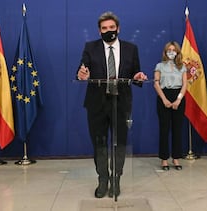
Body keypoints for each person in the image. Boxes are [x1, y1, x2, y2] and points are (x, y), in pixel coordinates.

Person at [76, 11, 147, 198]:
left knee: (120, 144)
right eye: (104, 28)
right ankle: (103, 179)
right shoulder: (90, 47)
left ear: (118, 29)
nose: (109, 31)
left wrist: (138, 76)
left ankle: (116, 180)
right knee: (99, 144)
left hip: (121, 103)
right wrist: (81, 74)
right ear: (99, 31)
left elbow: (136, 73)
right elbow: (82, 69)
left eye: (112, 28)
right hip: (96, 104)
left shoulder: (131, 48)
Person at [153, 41, 187, 171]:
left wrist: (178, 100)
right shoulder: (160, 66)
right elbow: (156, 83)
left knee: (177, 129)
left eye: (174, 50)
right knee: (164, 129)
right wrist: (164, 99)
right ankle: (164, 159)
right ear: (165, 52)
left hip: (178, 97)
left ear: (177, 52)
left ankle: (176, 157)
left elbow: (184, 85)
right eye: (169, 50)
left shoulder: (182, 66)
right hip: (164, 96)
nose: (171, 52)